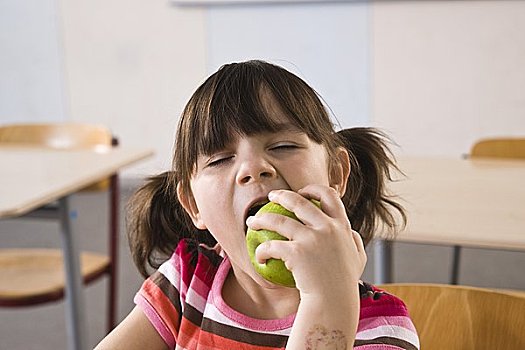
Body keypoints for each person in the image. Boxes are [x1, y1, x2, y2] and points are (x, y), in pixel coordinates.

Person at [95, 60, 419, 349]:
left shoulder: (383, 330)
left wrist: (329, 300)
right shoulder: (186, 284)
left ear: (335, 173)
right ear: (193, 204)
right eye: (220, 159)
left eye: (283, 145)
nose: (254, 168)